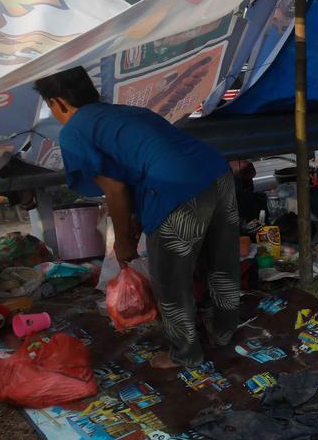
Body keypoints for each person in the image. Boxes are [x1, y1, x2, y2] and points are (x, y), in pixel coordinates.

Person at [33, 67, 240, 370]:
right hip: (217, 173)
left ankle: (185, 354)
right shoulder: (127, 112)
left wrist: (123, 242)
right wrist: (135, 225)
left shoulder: (74, 131)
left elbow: (116, 189)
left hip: (175, 188)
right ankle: (223, 332)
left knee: (170, 279)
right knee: (221, 261)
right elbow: (136, 175)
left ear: (57, 102)